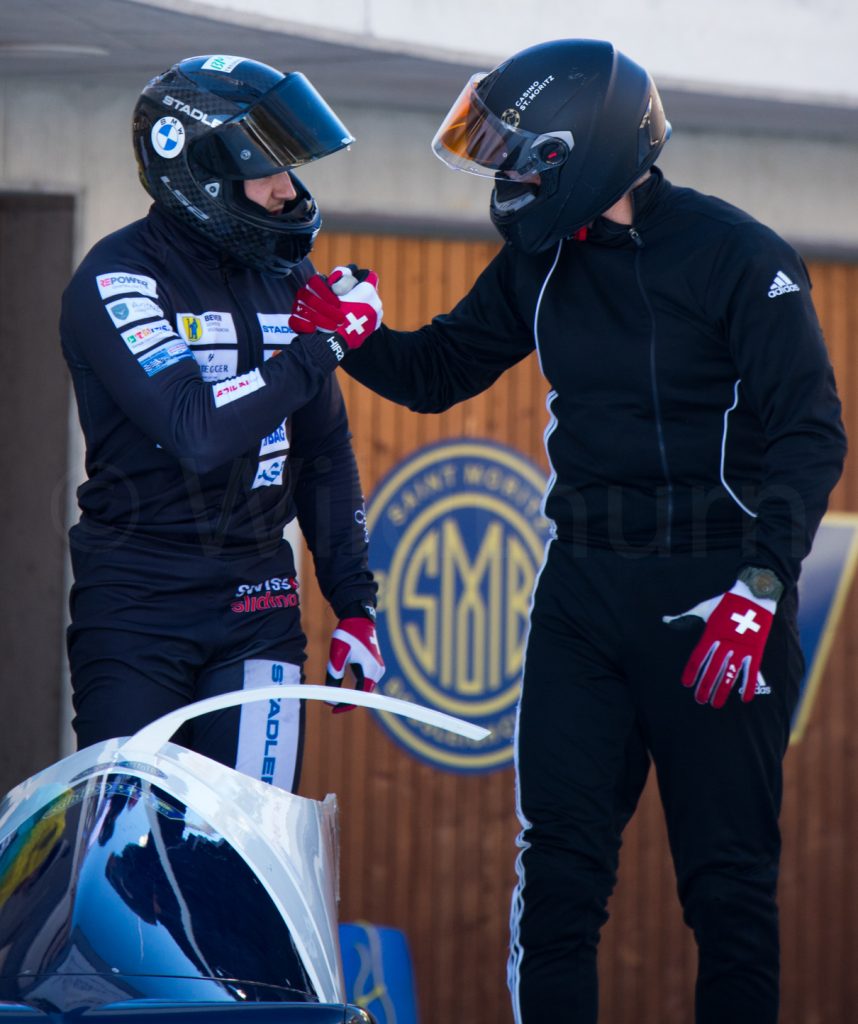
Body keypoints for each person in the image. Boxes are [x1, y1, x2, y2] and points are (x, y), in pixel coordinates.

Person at [287, 39, 847, 1024]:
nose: (504, 171)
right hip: (582, 595)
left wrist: (762, 587)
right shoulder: (540, 261)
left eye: (515, 149)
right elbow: (439, 372)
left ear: (576, 147)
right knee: (557, 886)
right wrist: (358, 339)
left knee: (729, 893)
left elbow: (811, 433)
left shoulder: (739, 255)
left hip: (718, 598)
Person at [60, 55, 386, 794]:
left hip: (259, 602)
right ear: (198, 171)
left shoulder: (288, 276)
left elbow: (322, 454)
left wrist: (356, 604)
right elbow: (196, 430)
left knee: (245, 845)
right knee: (126, 839)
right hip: (137, 603)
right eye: (266, 169)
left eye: (291, 166)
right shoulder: (116, 279)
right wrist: (325, 345)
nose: (289, 190)